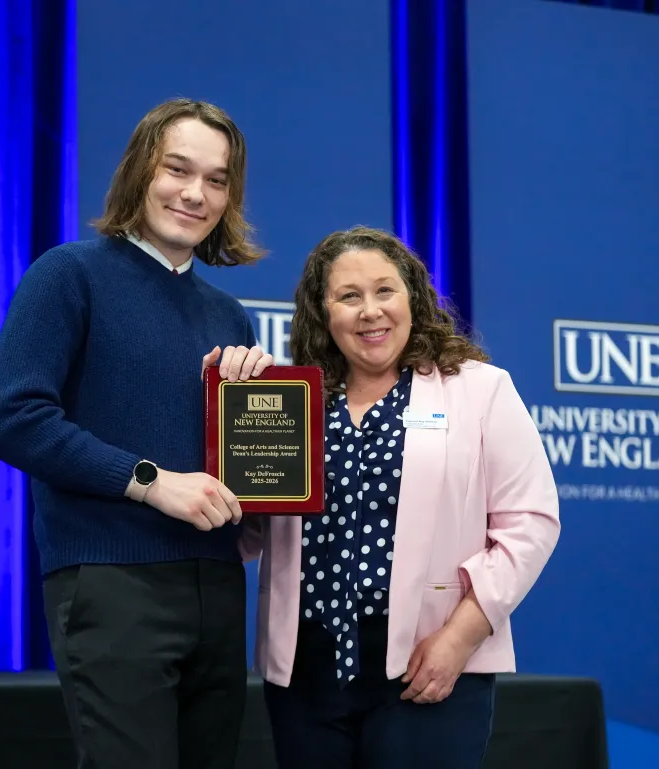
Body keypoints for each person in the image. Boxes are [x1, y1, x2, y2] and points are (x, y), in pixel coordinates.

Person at [0, 98, 274, 769]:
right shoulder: (70, 274)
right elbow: (11, 417)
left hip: (219, 584)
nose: (196, 193)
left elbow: (239, 472)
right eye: (178, 169)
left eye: (217, 179)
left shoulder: (229, 317)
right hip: (112, 579)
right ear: (142, 169)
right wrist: (148, 482)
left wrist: (258, 415)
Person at [239, 226, 560, 769]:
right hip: (306, 673)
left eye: (385, 290)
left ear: (412, 296)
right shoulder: (291, 399)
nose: (370, 311)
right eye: (349, 296)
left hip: (428, 663)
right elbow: (250, 530)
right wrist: (228, 423)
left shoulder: (480, 390)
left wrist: (459, 639)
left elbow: (529, 523)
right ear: (323, 312)